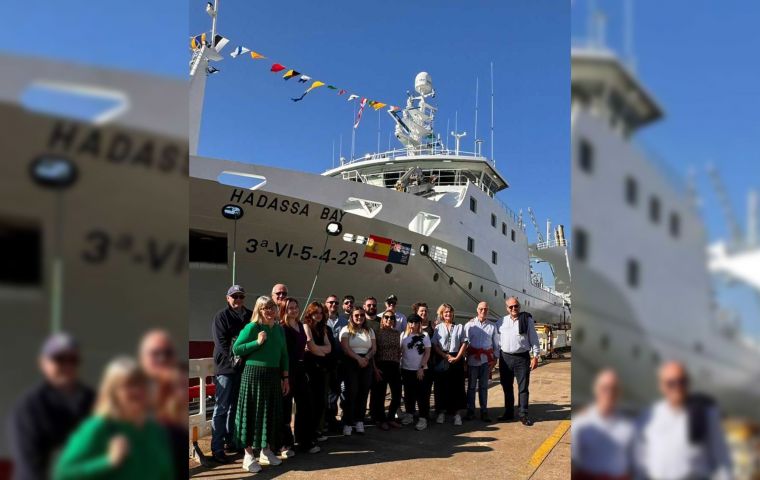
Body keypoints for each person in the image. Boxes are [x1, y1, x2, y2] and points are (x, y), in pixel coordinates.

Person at [54, 357, 174, 480]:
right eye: (129, 385)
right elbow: (64, 472)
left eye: (141, 384)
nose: (138, 390)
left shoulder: (155, 431)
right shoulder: (98, 428)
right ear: (113, 393)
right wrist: (107, 462)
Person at [9, 333, 95, 480]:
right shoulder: (29, 407)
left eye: (73, 360)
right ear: (42, 363)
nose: (67, 366)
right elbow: (28, 464)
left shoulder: (94, 400)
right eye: (59, 360)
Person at [635, 361, 732, 480]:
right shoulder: (649, 415)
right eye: (671, 383)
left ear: (689, 383)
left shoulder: (705, 414)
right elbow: (640, 457)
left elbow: (722, 460)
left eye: (682, 381)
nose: (678, 387)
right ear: (661, 386)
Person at [232, 296, 290, 474]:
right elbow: (236, 349)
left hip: (273, 376)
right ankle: (248, 456)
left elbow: (284, 355)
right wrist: (256, 342)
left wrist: (285, 378)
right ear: (259, 310)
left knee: (270, 414)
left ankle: (266, 451)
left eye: (272, 307)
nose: (270, 311)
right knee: (251, 414)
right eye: (265, 308)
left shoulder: (279, 329)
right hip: (253, 375)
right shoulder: (252, 327)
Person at [138, 330, 188, 480]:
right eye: (155, 353)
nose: (162, 359)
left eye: (167, 353)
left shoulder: (178, 389)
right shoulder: (129, 393)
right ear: (142, 358)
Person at [210, 285, 250, 464]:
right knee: (221, 408)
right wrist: (234, 358)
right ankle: (217, 447)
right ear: (228, 298)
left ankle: (231, 441)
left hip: (243, 368)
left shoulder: (249, 315)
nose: (238, 300)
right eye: (234, 296)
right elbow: (221, 343)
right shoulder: (221, 316)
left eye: (241, 296)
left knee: (236, 406)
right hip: (225, 369)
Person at [572, 369, 636, 480]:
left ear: (619, 393)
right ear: (596, 390)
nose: (609, 394)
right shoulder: (580, 423)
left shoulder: (628, 427)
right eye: (605, 389)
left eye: (613, 389)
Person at [280, 298, 320, 456]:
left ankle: (304, 440)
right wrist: (284, 376)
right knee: (286, 407)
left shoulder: (301, 326)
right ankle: (285, 444)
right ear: (284, 309)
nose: (294, 310)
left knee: (305, 404)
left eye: (296, 307)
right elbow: (283, 352)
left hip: (300, 368)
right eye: (290, 308)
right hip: (287, 369)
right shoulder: (282, 328)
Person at [496, 297, 540, 426]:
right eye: (511, 307)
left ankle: (523, 414)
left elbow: (533, 338)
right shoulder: (501, 321)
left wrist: (535, 356)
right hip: (505, 358)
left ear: (519, 307)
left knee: (523, 388)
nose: (514, 309)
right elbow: (495, 338)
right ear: (507, 308)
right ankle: (508, 413)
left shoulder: (527, 320)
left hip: (522, 358)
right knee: (507, 387)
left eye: (516, 306)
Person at [339, 306, 376, 436]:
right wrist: (358, 359)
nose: (359, 317)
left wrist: (366, 358)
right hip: (351, 362)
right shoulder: (346, 330)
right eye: (356, 315)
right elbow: (345, 348)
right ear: (352, 317)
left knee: (363, 391)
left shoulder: (369, 330)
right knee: (351, 392)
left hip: (366, 362)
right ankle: (348, 422)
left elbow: (374, 348)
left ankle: (360, 420)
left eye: (361, 315)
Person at [431, 303, 468, 426]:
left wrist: (457, 357)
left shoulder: (459, 327)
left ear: (453, 313)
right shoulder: (438, 328)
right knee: (441, 386)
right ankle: (441, 412)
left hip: (456, 358)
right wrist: (444, 355)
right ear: (442, 314)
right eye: (445, 312)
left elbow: (464, 342)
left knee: (456, 386)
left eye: (450, 312)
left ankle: (456, 414)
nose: (448, 314)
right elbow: (435, 344)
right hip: (442, 358)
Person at [303, 301, 333, 441]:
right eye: (316, 312)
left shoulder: (323, 328)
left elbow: (329, 348)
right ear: (310, 313)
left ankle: (316, 431)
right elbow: (311, 345)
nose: (319, 315)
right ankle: (309, 433)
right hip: (310, 369)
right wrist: (320, 351)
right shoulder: (306, 326)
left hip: (323, 368)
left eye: (321, 312)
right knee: (311, 402)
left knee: (321, 401)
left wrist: (317, 350)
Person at [464, 302, 498, 422]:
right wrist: (464, 360)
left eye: (486, 309)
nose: (483, 311)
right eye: (481, 309)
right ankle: (470, 411)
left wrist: (495, 359)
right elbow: (465, 343)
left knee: (484, 387)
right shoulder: (469, 325)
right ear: (477, 310)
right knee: (471, 387)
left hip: (485, 362)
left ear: (488, 311)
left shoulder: (492, 326)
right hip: (473, 361)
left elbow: (496, 345)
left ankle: (484, 411)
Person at [370, 310, 402, 430]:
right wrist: (375, 369)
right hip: (381, 366)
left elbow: (398, 351)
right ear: (382, 319)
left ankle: (391, 418)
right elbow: (373, 353)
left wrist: (398, 364)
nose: (389, 319)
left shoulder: (397, 333)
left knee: (397, 394)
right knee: (380, 395)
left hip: (394, 366)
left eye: (392, 318)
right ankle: (382, 419)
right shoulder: (377, 333)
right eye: (387, 317)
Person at [399, 313, 432, 431]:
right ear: (408, 323)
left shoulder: (425, 335)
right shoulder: (403, 335)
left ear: (419, 324)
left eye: (416, 322)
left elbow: (427, 352)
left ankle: (423, 418)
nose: (413, 325)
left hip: (421, 370)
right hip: (406, 369)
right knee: (408, 394)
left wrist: (421, 367)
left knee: (422, 395)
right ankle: (409, 415)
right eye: (411, 322)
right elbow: (400, 351)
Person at [324, 295, 347, 433]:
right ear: (325, 304)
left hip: (339, 362)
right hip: (325, 362)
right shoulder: (321, 320)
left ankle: (331, 419)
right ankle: (325, 420)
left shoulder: (344, 321)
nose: (333, 304)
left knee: (336, 392)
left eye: (336, 302)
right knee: (325, 393)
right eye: (330, 302)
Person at [414, 302, 437, 420]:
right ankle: (415, 412)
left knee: (426, 390)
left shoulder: (432, 325)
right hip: (414, 363)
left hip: (429, 362)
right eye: (421, 311)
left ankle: (425, 413)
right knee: (416, 389)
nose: (424, 313)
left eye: (425, 311)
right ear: (416, 313)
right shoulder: (413, 326)